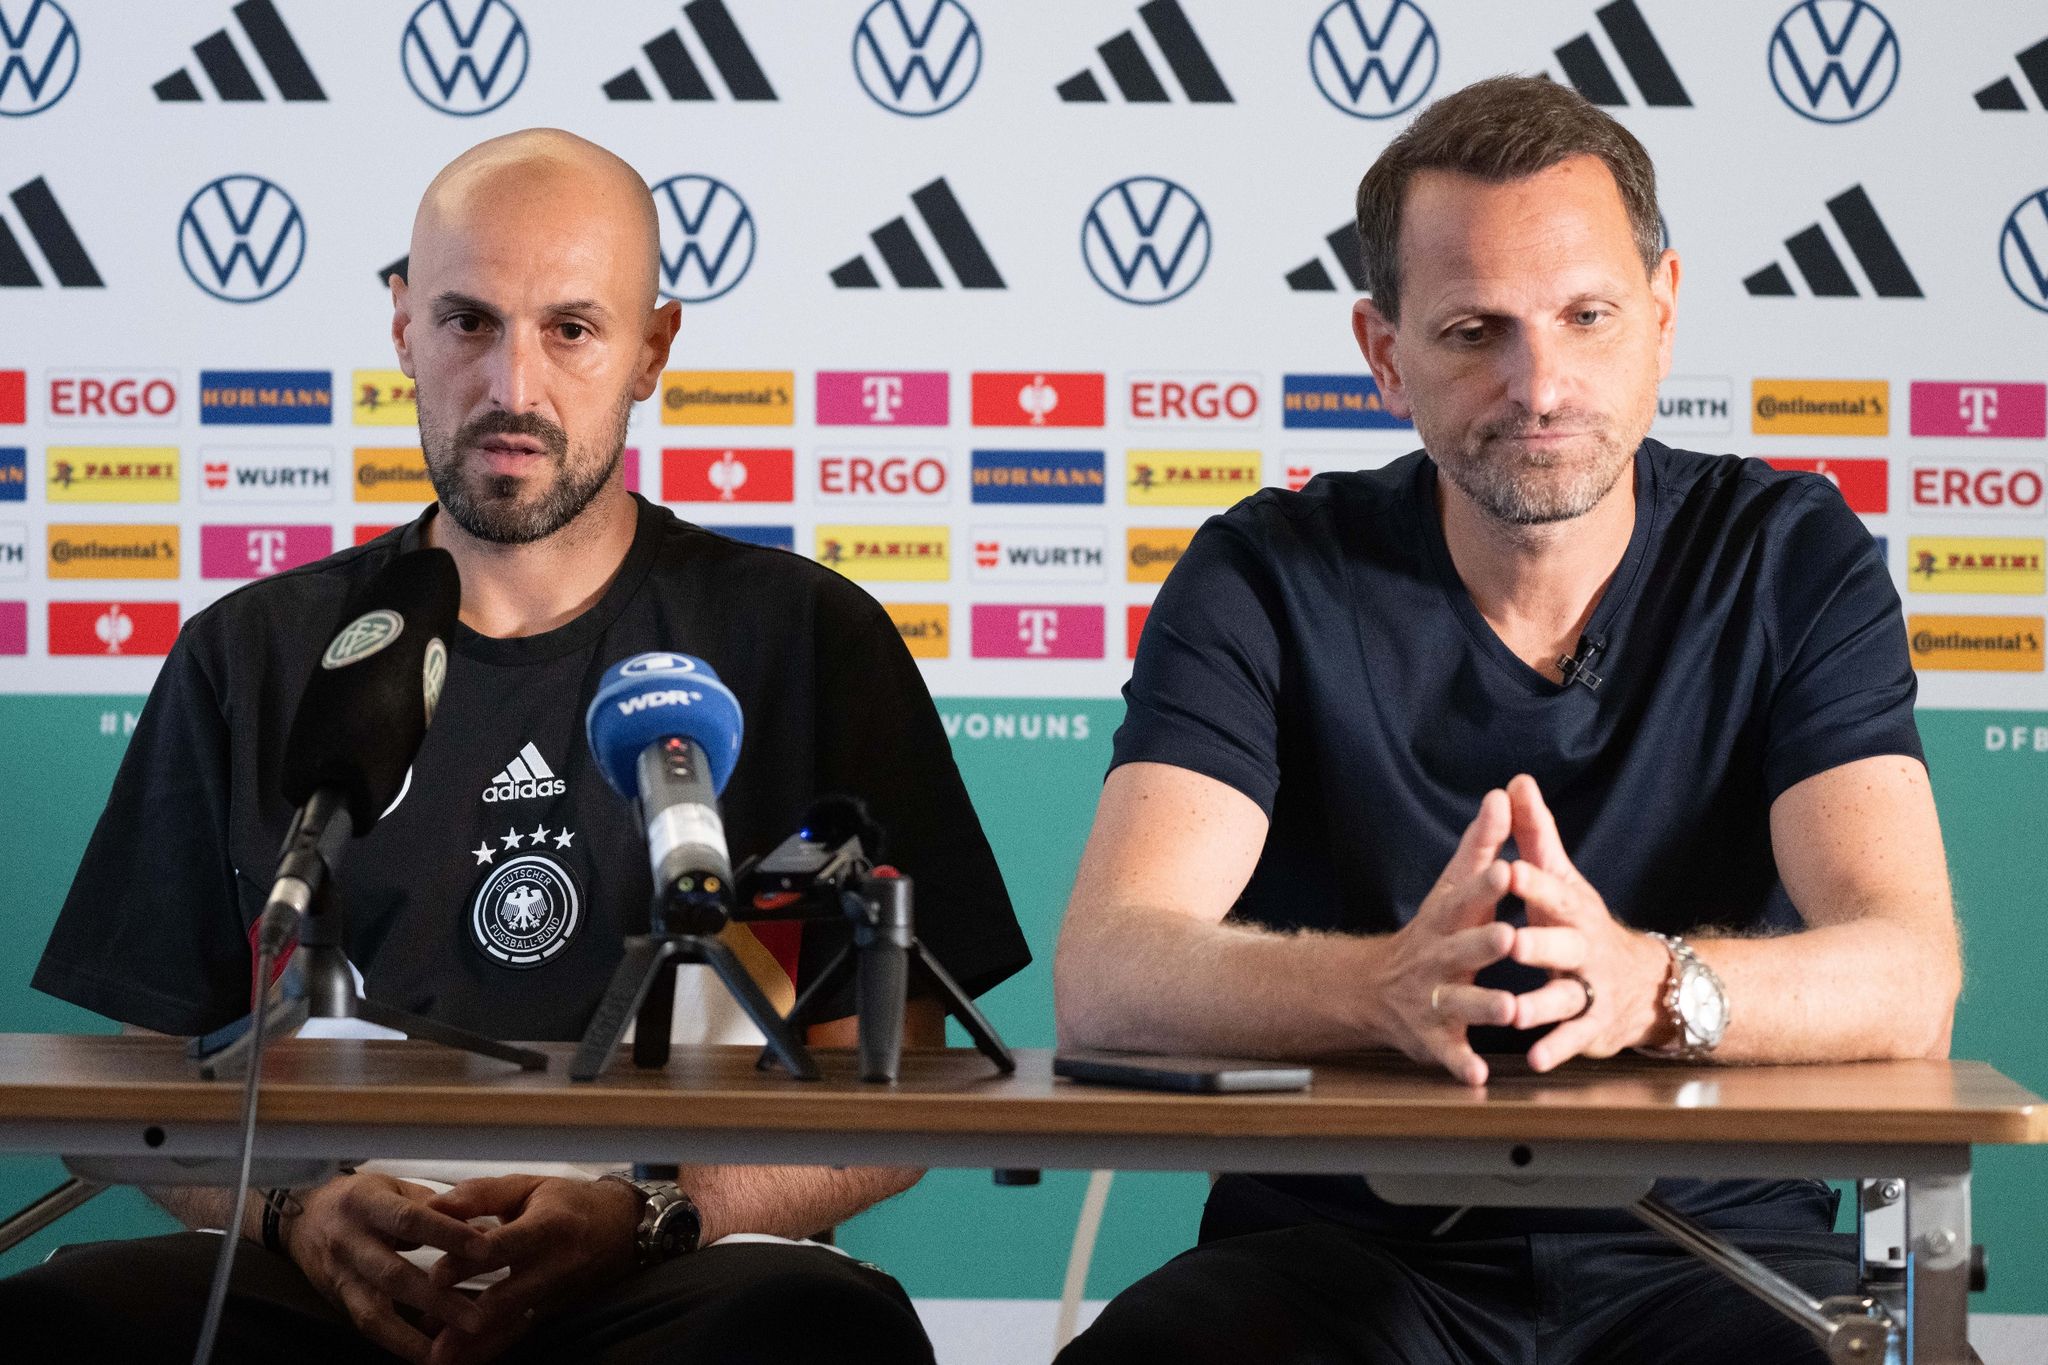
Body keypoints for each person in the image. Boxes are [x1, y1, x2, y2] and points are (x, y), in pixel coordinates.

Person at [5, 129, 1028, 1365]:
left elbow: (899, 1077)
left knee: (810, 1333)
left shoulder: (805, 641)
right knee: (69, 1323)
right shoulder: (254, 653)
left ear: (653, 348)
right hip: (320, 1270)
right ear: (402, 328)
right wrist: (294, 1215)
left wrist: (656, 1212)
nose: (513, 388)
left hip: (675, 1264)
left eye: (572, 330)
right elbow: (128, 1087)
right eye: (469, 323)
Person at [1054, 76, 1958, 1365]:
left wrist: (1641, 981)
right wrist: (1384, 987)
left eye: (1586, 318)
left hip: (1716, 1251)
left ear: (1659, 313)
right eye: (1475, 330)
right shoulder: (1264, 573)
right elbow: (1106, 976)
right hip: (1339, 1250)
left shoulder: (1786, 555)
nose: (1540, 385)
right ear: (1383, 352)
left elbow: (1908, 976)